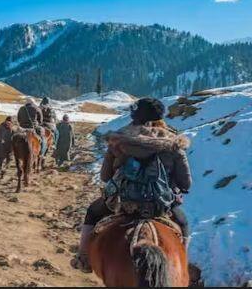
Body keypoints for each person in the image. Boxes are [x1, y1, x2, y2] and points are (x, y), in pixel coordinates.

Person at [70, 97, 192, 273]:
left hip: (123, 203)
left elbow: (105, 176)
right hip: (159, 206)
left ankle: (83, 258)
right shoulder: (173, 143)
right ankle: (182, 268)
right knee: (183, 223)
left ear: (134, 116)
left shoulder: (118, 140)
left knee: (92, 212)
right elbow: (186, 182)